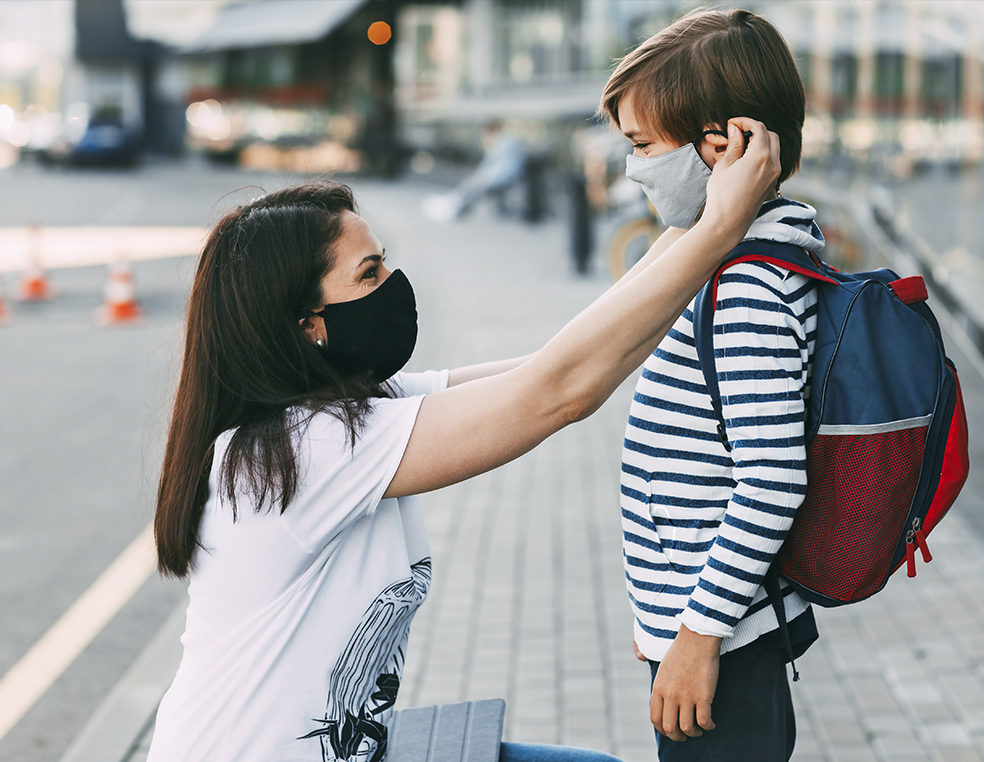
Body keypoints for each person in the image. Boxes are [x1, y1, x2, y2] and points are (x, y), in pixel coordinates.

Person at [147, 119, 780, 762]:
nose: (393, 283)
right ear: (307, 325)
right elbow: (559, 392)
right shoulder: (305, 450)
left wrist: (698, 210)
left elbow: (560, 361)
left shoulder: (357, 410)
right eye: (369, 274)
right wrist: (719, 228)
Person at [599, 8, 822, 761]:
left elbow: (770, 478)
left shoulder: (749, 291)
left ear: (721, 146)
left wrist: (695, 637)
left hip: (723, 644)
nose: (631, 168)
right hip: (710, 628)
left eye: (641, 146)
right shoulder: (725, 260)